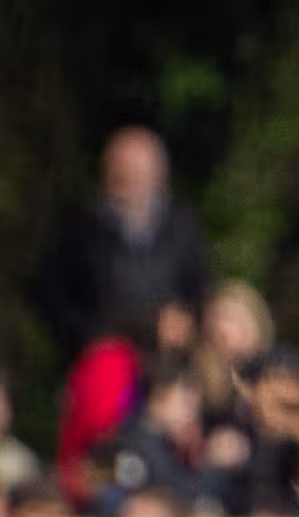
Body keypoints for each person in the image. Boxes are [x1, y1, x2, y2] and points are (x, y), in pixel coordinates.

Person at [29, 126, 207, 453]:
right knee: (103, 453)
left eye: (140, 172)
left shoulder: (183, 226)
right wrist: (88, 337)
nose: (130, 181)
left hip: (166, 366)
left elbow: (199, 288)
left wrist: (186, 320)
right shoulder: (79, 227)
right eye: (122, 172)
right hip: (103, 367)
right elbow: (49, 295)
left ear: (160, 174)